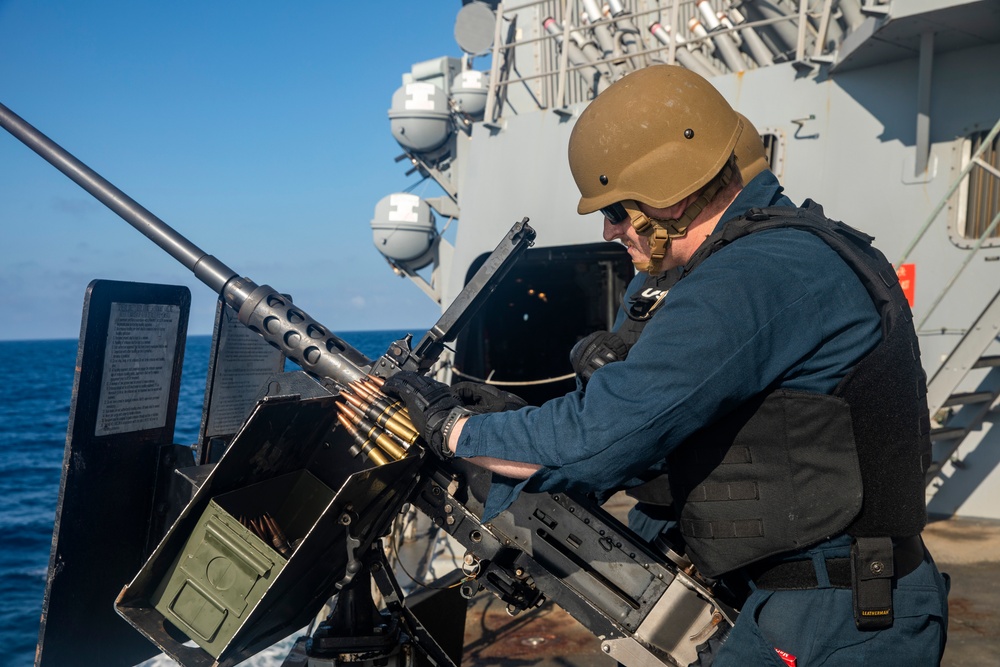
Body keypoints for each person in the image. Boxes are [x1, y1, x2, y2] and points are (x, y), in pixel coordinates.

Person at [384, 65, 949, 666]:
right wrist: (521, 425)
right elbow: (647, 432)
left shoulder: (756, 274)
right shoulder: (737, 264)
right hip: (792, 592)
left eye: (619, 211)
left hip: (839, 615)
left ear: (670, 192)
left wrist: (456, 431)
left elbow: (598, 441)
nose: (609, 229)